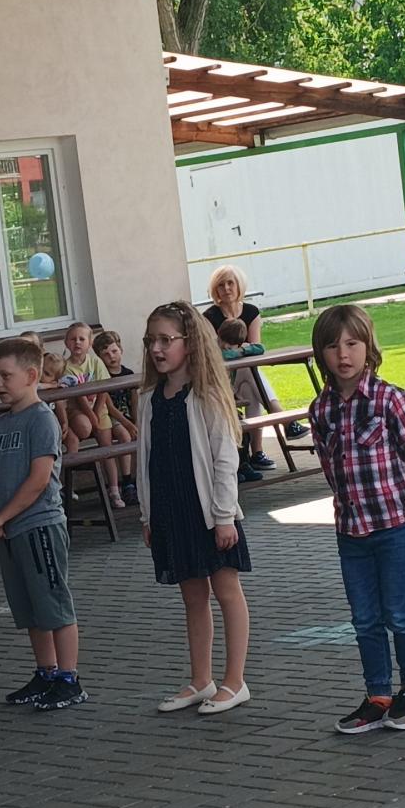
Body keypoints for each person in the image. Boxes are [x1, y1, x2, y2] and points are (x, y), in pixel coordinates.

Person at [309, 305, 405, 734]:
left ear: (368, 347)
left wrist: (399, 497)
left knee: (400, 612)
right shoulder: (321, 409)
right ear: (321, 354)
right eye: (332, 346)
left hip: (394, 525)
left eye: (352, 344)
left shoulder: (388, 398)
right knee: (364, 618)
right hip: (351, 530)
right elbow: (329, 463)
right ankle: (378, 694)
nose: (343, 354)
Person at [137, 301, 252, 715]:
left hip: (208, 511)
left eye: (166, 340)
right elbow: (145, 461)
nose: (156, 349)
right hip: (172, 511)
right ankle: (201, 679)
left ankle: (235, 681)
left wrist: (223, 516)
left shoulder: (206, 396)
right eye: (151, 340)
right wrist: (148, 515)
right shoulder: (149, 399)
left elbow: (224, 459)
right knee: (192, 597)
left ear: (189, 342)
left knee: (226, 591)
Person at [0, 338, 87, 711]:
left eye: (5, 376)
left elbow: (39, 479)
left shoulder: (41, 419)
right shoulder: (0, 423)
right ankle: (46, 672)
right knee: (30, 608)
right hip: (9, 530)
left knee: (53, 603)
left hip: (39, 526)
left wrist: (2, 515)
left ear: (31, 375)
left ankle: (69, 679)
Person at [202, 264, 308, 473]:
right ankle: (286, 422)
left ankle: (257, 452)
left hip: (245, 375)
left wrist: (241, 350)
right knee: (250, 375)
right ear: (215, 290)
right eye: (221, 285)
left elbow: (256, 350)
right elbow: (216, 354)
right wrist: (243, 350)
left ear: (239, 285)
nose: (226, 288)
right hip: (221, 381)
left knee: (250, 386)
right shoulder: (209, 317)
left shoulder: (251, 312)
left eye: (230, 283)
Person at [63, 321, 123, 509]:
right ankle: (69, 486)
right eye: (73, 339)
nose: (77, 342)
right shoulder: (66, 367)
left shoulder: (96, 362)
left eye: (82, 339)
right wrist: (91, 417)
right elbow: (78, 396)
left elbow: (103, 388)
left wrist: (97, 412)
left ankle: (114, 489)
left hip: (99, 407)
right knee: (82, 430)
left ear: (89, 343)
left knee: (107, 448)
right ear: (66, 343)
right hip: (78, 409)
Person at [217, 318, 266, 486]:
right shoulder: (214, 349)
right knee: (231, 426)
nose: (226, 347)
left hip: (230, 395)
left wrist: (243, 349)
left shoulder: (238, 347)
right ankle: (234, 467)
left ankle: (244, 463)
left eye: (232, 345)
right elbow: (225, 355)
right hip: (217, 397)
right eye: (224, 342)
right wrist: (238, 351)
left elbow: (260, 348)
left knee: (241, 426)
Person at [93, 329, 139, 505]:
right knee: (125, 436)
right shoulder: (103, 375)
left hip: (127, 417)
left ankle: (136, 480)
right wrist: (128, 424)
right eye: (106, 354)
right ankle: (127, 481)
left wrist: (136, 421)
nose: (111, 356)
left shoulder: (128, 373)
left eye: (114, 351)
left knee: (136, 436)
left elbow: (134, 401)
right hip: (112, 416)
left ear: (121, 350)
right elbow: (110, 407)